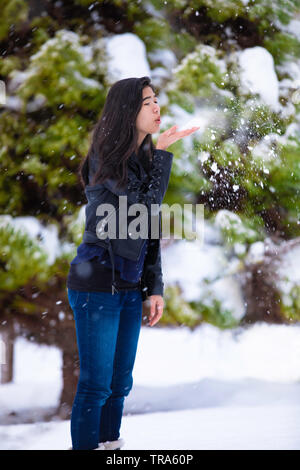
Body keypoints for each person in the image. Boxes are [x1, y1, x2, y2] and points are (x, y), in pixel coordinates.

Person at [66, 76, 200, 450]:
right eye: (147, 103)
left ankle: (111, 449)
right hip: (96, 285)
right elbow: (142, 207)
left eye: (156, 100)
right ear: (127, 112)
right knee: (95, 386)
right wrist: (163, 153)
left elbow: (148, 230)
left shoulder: (142, 162)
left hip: (126, 289)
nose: (157, 107)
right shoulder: (105, 160)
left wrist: (153, 288)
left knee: (118, 385)